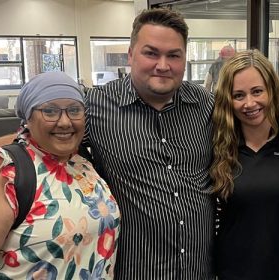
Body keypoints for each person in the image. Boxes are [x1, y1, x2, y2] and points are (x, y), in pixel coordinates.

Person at [83, 8, 215, 279]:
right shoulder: (95, 106)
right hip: (136, 270)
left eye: (174, 55)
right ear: (131, 55)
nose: (163, 65)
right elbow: (39, 143)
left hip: (199, 270)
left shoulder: (205, 105)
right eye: (151, 53)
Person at [0, 71, 120, 279]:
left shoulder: (82, 162)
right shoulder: (5, 173)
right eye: (50, 111)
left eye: (74, 110)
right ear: (28, 117)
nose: (64, 122)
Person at [211, 49, 279, 279]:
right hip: (233, 271)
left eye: (257, 91)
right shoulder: (218, 145)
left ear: (272, 90)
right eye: (238, 95)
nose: (249, 103)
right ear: (228, 99)